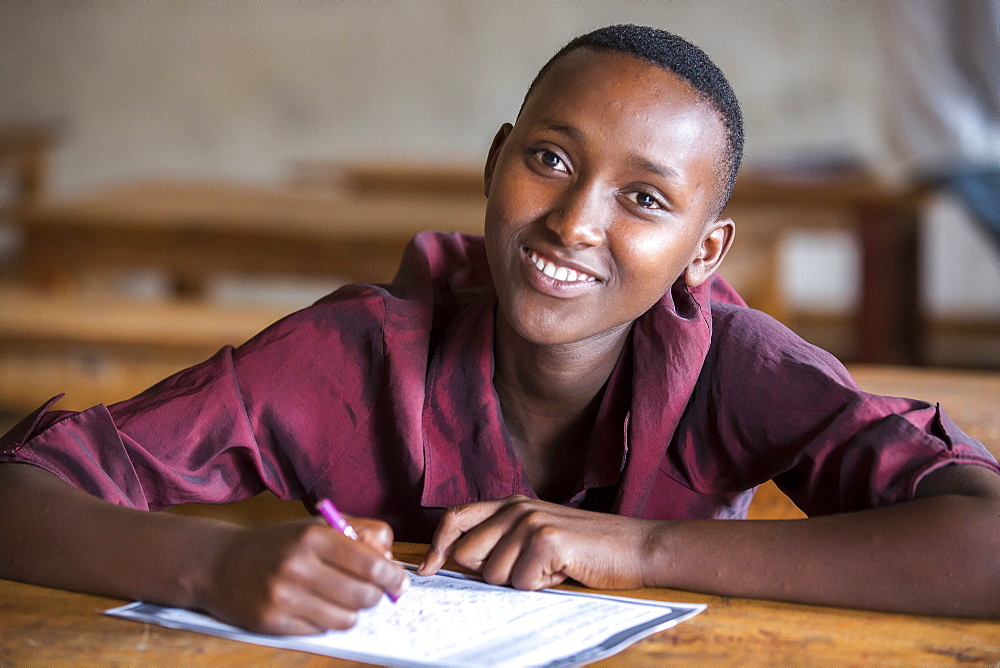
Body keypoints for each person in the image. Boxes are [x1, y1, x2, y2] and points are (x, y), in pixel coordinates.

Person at [1, 25, 998, 635]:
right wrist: (215, 565)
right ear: (494, 162)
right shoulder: (354, 357)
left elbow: (985, 542)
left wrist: (642, 549)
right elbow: (19, 491)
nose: (575, 221)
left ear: (705, 251)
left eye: (645, 197)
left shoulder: (733, 365)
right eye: (551, 160)